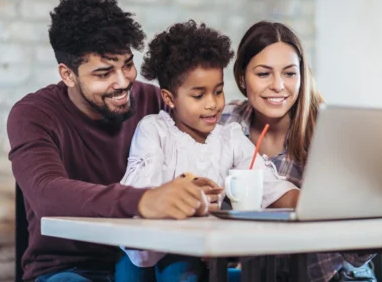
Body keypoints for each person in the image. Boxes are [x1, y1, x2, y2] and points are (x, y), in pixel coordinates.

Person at [7, 0, 216, 282]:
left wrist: (196, 191)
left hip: (144, 260)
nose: (123, 82)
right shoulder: (34, 114)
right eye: (104, 73)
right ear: (68, 75)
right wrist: (144, 200)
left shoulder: (154, 101)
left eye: (127, 64)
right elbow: (46, 192)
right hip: (69, 268)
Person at [118, 19, 300, 281]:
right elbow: (138, 195)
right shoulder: (154, 131)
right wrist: (185, 193)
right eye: (198, 95)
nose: (213, 104)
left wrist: (307, 202)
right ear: (169, 98)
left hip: (198, 253)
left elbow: (269, 184)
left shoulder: (230, 136)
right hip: (146, 254)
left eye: (218, 91)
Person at [219, 21, 377, 282]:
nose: (279, 85)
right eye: (263, 74)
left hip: (331, 276)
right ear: (241, 78)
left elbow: (356, 252)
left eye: (290, 73)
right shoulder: (225, 121)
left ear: (302, 77)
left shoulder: (327, 134)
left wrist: (377, 216)